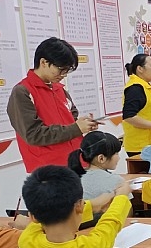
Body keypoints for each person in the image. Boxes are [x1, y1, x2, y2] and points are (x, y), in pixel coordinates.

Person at [7, 37, 98, 172]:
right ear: (44, 62)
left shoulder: (59, 89)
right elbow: (33, 134)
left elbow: (72, 118)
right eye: (61, 69)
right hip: (49, 169)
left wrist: (85, 124)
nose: (64, 75)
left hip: (76, 162)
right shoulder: (22, 92)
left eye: (67, 70)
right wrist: (76, 128)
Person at [122, 54, 151, 156]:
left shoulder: (146, 86)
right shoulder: (135, 88)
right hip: (140, 146)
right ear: (140, 69)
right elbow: (129, 116)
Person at [67, 132, 129, 200]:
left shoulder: (72, 179)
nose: (119, 158)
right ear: (101, 158)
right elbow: (127, 205)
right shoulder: (117, 181)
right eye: (116, 154)